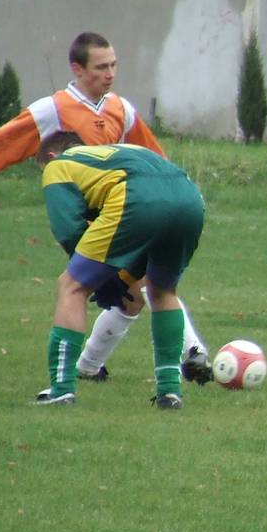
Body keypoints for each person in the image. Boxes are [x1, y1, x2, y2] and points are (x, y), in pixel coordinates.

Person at [0, 32, 212, 384]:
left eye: (113, 65)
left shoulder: (121, 109)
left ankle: (92, 366)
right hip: (89, 222)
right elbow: (0, 144)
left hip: (127, 213)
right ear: (77, 69)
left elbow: (155, 160)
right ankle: (189, 352)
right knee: (135, 286)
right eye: (101, 67)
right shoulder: (53, 110)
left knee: (132, 293)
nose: (110, 74)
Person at [36, 133, 206, 409]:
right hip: (190, 198)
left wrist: (102, 279)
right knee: (162, 290)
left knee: (72, 285)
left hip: (137, 197)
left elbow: (68, 229)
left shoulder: (58, 165)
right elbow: (139, 247)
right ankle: (169, 392)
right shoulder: (118, 154)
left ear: (51, 156)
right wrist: (124, 277)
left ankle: (61, 389)